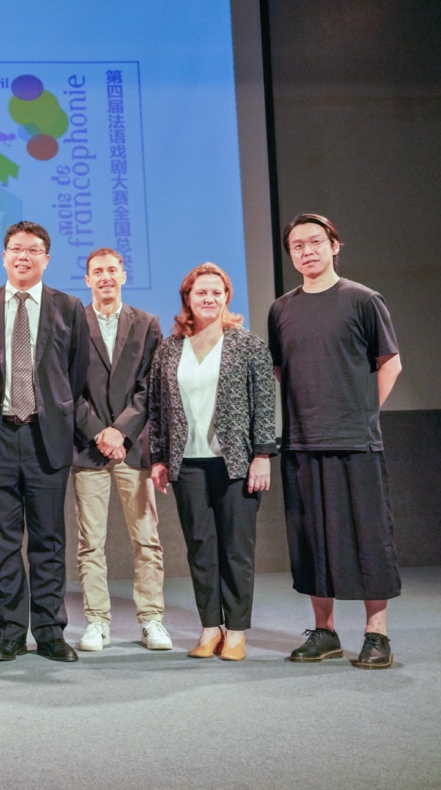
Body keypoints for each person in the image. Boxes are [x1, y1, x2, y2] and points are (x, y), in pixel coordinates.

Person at [269, 214, 403, 670]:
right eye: (297, 246)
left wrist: (363, 413)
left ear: (334, 245)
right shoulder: (281, 309)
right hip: (302, 440)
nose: (307, 251)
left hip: (356, 441)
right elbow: (281, 370)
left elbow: (390, 363)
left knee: (368, 536)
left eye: (315, 242)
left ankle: (376, 634)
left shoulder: (363, 299)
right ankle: (324, 632)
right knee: (312, 537)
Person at [0, 221, 90, 662]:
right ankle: (11, 632)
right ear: (3, 256)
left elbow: (75, 373)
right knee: (2, 544)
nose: (24, 256)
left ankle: (51, 632)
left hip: (46, 437)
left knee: (48, 542)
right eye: (16, 249)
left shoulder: (68, 307)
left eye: (33, 250)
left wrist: (56, 412)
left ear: (47, 259)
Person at [148, 262, 276, 661]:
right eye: (200, 292)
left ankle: (235, 631)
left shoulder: (247, 344)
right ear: (187, 298)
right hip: (187, 463)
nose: (209, 298)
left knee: (236, 548)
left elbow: (265, 403)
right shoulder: (169, 348)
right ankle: (209, 628)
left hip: (235, 463)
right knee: (200, 547)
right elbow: (157, 408)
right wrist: (158, 457)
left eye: (216, 292)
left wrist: (262, 455)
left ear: (226, 298)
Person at [72, 248, 171, 653]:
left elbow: (152, 385)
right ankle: (97, 621)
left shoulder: (146, 323)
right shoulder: (73, 322)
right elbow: (66, 387)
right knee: (90, 542)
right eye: (98, 271)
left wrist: (121, 431)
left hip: (132, 447)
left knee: (146, 538)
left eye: (112, 270)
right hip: (89, 447)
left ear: (124, 276)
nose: (105, 277)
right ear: (87, 280)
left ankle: (151, 619)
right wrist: (99, 431)